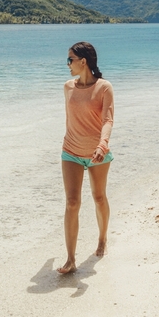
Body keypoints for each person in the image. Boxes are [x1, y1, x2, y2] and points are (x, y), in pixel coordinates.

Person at [59, 41, 114, 275]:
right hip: (70, 150)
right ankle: (70, 259)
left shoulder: (104, 88)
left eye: (70, 59)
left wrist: (103, 144)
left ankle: (102, 239)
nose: (67, 64)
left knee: (99, 197)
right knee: (72, 203)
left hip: (97, 152)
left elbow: (107, 120)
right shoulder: (67, 87)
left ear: (83, 61)